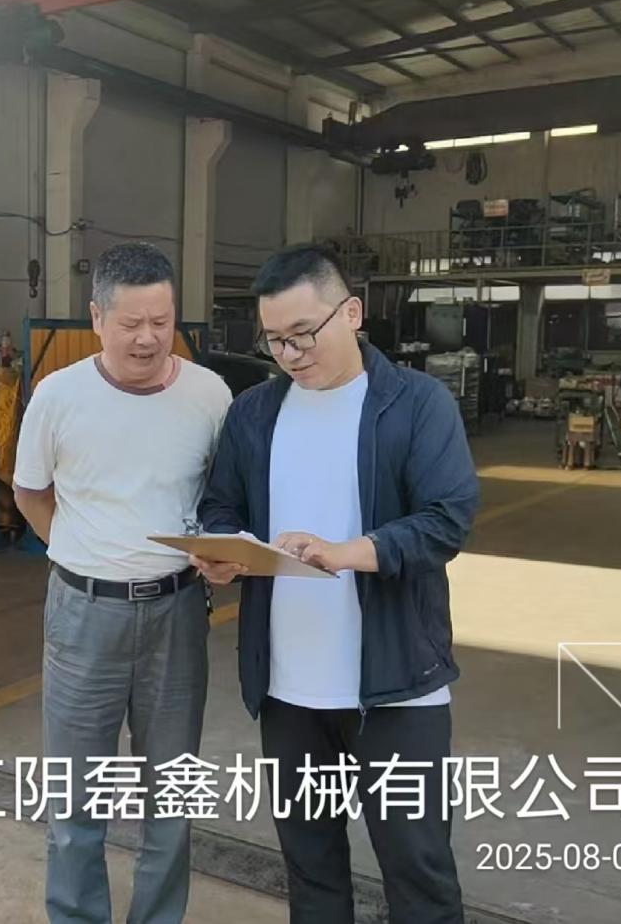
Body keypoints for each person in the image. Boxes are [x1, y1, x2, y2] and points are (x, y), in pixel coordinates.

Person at [193, 244, 478, 924]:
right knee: (311, 870)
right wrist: (222, 551)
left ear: (350, 313)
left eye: (303, 333)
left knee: (418, 871)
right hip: (288, 689)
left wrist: (348, 552)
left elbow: (447, 519)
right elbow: (221, 505)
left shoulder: (415, 404)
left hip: (396, 684)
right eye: (274, 340)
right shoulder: (254, 413)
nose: (290, 354)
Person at [13, 242, 233, 924]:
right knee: (76, 799)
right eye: (131, 323)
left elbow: (223, 499)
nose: (147, 338)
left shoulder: (209, 394)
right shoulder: (58, 396)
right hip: (83, 615)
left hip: (177, 614)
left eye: (161, 322)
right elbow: (30, 493)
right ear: (96, 318)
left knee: (172, 795)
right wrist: (86, 554)